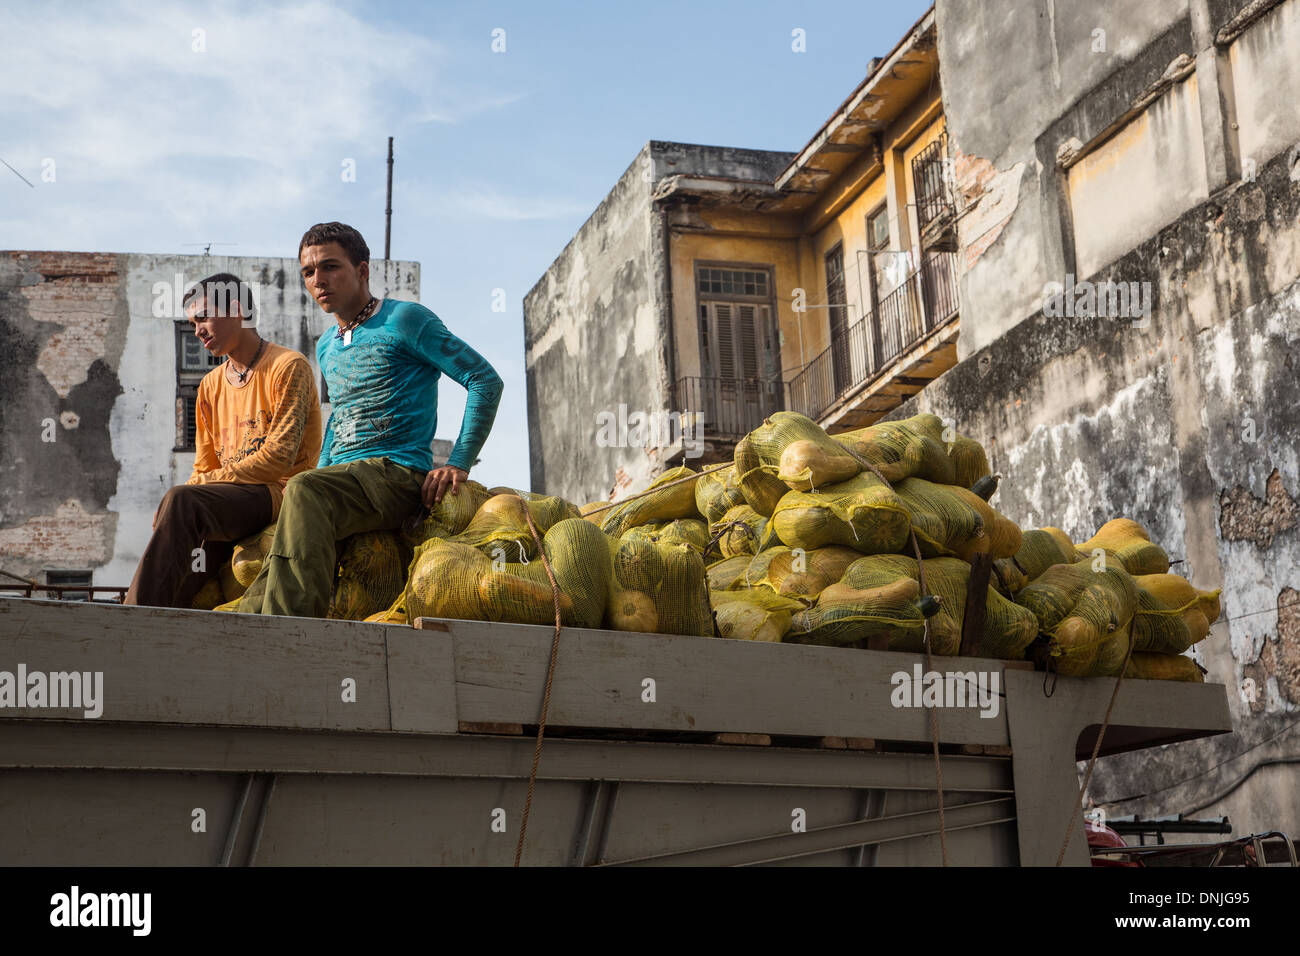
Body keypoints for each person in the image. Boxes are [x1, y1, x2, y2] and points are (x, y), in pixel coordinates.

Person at [237, 222, 503, 617]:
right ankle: (239, 635)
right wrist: (318, 472)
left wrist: (459, 462)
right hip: (345, 482)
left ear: (362, 270)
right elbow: (340, 418)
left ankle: (289, 633)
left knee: (306, 491)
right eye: (308, 272)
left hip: (395, 474)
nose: (318, 280)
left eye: (330, 267)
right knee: (274, 562)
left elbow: (484, 379)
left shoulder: (407, 319)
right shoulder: (326, 345)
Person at [124, 273, 323, 608]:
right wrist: (185, 498)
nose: (197, 330)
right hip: (234, 501)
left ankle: (127, 618)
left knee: (184, 503)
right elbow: (204, 465)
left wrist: (192, 493)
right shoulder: (210, 385)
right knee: (185, 568)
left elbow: (279, 458)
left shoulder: (288, 367)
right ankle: (156, 635)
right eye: (191, 322)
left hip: (279, 493)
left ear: (235, 311)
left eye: (203, 318)